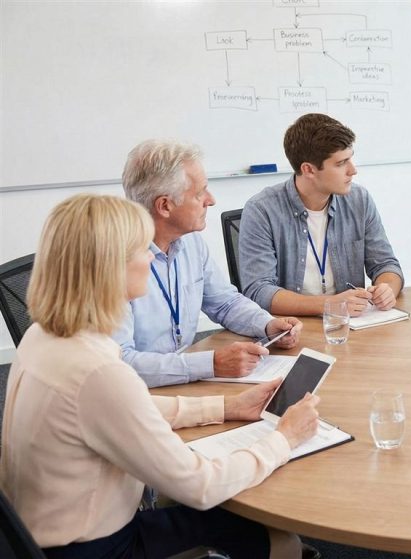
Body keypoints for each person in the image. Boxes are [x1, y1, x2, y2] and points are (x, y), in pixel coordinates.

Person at [0, 194, 321, 558]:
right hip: (98, 547)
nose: (152, 257)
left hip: (47, 533)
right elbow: (200, 485)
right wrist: (285, 438)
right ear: (108, 268)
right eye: (142, 250)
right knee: (281, 541)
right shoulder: (98, 372)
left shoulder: (45, 337)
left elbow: (123, 408)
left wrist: (226, 407)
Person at [115, 139, 302, 387]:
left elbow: (225, 302)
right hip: (136, 394)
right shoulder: (114, 261)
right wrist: (211, 364)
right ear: (165, 206)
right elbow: (120, 363)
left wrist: (267, 325)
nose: (210, 200)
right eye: (200, 193)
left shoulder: (191, 243)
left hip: (184, 381)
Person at [240, 113, 404, 317]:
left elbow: (386, 264)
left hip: (351, 327)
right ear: (308, 170)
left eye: (350, 159)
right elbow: (259, 291)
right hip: (292, 329)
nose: (353, 170)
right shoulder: (261, 210)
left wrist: (387, 288)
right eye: (341, 163)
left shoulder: (359, 199)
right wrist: (329, 304)